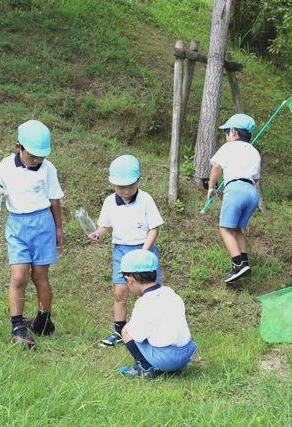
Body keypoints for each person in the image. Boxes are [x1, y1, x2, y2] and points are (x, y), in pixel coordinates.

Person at [0, 120, 64, 348]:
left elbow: (55, 200)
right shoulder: (6, 164)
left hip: (43, 225)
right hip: (17, 225)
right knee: (19, 277)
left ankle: (43, 321)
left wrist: (58, 228)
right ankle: (18, 326)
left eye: (41, 156)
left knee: (40, 277)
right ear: (18, 147)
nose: (37, 161)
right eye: (33, 156)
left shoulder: (48, 168)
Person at [88, 155, 164, 347]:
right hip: (121, 251)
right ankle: (119, 331)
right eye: (120, 187)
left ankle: (151, 330)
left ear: (138, 181)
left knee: (147, 294)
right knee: (120, 292)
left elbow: (154, 228)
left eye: (130, 186)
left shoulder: (146, 199)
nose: (125, 191)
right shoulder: (109, 202)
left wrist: (144, 251)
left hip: (144, 251)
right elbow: (104, 226)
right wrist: (98, 234)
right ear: (112, 184)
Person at [117, 249, 197, 378]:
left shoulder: (144, 302)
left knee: (126, 331)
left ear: (130, 280)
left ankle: (145, 368)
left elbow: (138, 335)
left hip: (167, 359)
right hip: (187, 353)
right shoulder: (170, 292)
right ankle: (172, 368)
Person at [207, 113, 260, 283]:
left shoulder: (228, 147)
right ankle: (245, 262)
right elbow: (256, 178)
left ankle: (238, 264)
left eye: (226, 133)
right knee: (237, 229)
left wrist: (211, 186)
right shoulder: (254, 152)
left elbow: (216, 167)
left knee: (225, 229)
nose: (226, 137)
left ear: (233, 133)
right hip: (252, 193)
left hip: (235, 190)